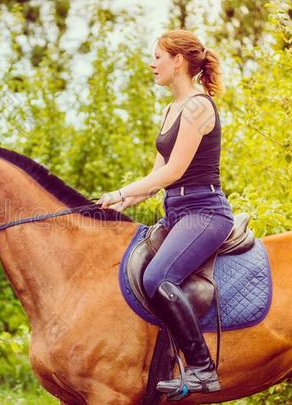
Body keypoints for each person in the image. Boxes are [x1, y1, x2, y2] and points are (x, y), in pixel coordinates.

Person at [97, 29, 234, 397]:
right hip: (176, 212)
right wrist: (124, 201)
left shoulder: (197, 106)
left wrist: (123, 190)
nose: (151, 62)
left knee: (158, 277)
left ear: (178, 61)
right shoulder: (170, 109)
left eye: (158, 56)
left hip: (205, 212)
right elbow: (159, 176)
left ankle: (203, 369)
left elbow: (174, 171)